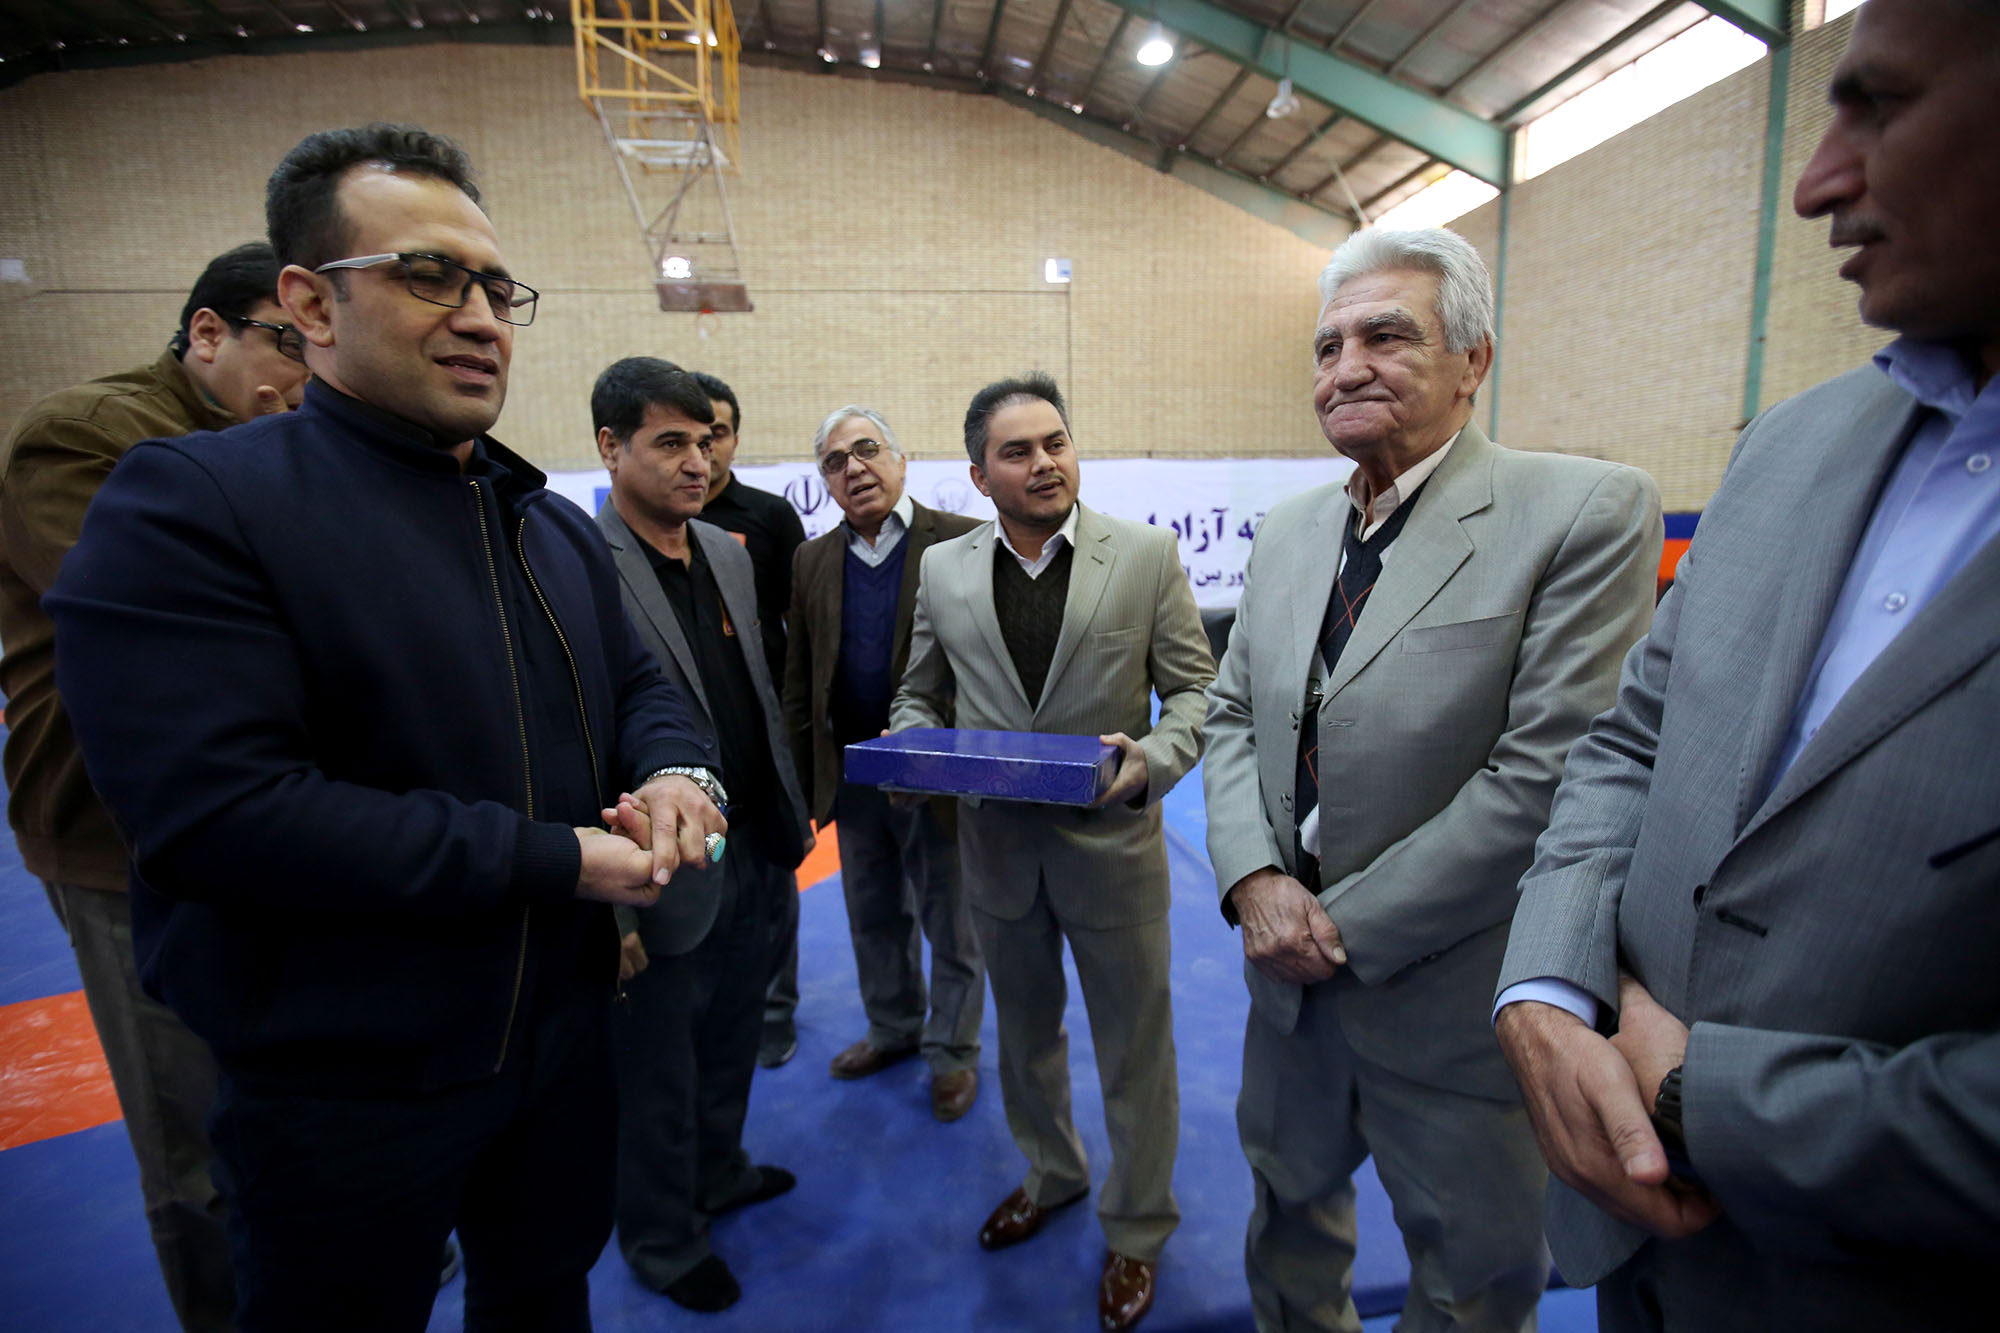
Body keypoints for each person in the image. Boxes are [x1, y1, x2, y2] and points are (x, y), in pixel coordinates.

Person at [44, 124, 725, 1333]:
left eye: (496, 289)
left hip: (560, 1045)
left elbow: (640, 685)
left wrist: (676, 772)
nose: (480, 317)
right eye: (427, 275)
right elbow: (220, 815)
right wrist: (557, 861)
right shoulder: (195, 504)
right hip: (343, 1084)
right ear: (311, 303)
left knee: (543, 1297)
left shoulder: (544, 526)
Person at [1493, 2, 2000, 1327]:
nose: (1816, 180)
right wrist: (1545, 990)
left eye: (1879, 105)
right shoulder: (1791, 445)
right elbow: (1630, 743)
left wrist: (1698, 1098)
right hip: (1638, 1257)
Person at [1203, 227, 1661, 1333]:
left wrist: (1334, 926)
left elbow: (1547, 775)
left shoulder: (1581, 511)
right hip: (1285, 989)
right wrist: (1255, 880)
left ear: (1473, 360)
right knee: (1286, 1221)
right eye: (1327, 347)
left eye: (1386, 336)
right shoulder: (1290, 532)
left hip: (1453, 1001)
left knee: (1471, 1279)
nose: (1346, 367)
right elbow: (1231, 716)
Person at [0, 241, 308, 1332]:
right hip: (122, 843)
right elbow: (164, 620)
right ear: (207, 332)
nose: (307, 371)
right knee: (194, 1143)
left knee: (302, 1093)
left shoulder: (291, 443)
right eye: (288, 340)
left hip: (281, 823)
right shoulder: (85, 434)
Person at [889, 373, 1214, 1332]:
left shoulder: (1144, 556)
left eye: (1056, 442)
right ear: (979, 475)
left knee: (1135, 1050)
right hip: (995, 854)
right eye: (1018, 451)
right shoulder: (944, 571)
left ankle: (1139, 1225)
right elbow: (919, 691)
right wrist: (913, 746)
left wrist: (1151, 760)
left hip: (1112, 850)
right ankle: (1052, 1172)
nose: (1045, 463)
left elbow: (1196, 695)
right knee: (1025, 1037)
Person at [590, 356, 811, 1312]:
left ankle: (719, 1172)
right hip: (652, 870)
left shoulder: (726, 548)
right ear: (611, 447)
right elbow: (574, 741)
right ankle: (661, 1237)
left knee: (731, 1037)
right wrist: (612, 914)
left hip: (752, 845)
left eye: (707, 439)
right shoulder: (576, 564)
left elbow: (757, 692)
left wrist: (788, 812)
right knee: (656, 1070)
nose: (698, 461)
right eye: (671, 442)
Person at [782, 405, 984, 1120]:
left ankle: (953, 1051)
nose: (854, 468)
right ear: (826, 482)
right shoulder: (812, 560)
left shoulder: (961, 541)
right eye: (834, 462)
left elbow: (990, 670)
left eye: (866, 450)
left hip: (939, 774)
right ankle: (894, 1027)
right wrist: (807, 780)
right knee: (871, 913)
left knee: (950, 920)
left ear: (900, 459)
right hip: (853, 776)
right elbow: (801, 680)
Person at [686, 370, 810, 1067]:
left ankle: (775, 1011)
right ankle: (715, 1013)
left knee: (771, 881)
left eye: (717, 434)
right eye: (686, 437)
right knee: (700, 881)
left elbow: (800, 627)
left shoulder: (768, 517)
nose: (703, 452)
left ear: (733, 438)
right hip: (686, 742)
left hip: (762, 736)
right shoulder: (650, 525)